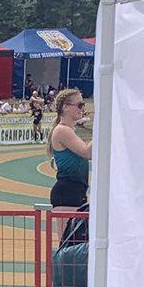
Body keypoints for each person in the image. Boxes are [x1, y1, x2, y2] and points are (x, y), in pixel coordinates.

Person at [47, 88, 91, 239]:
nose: (83, 109)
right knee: (68, 248)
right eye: (79, 105)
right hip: (67, 193)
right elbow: (87, 152)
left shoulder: (69, 131)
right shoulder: (62, 131)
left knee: (74, 246)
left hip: (76, 192)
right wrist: (101, 127)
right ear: (66, 107)